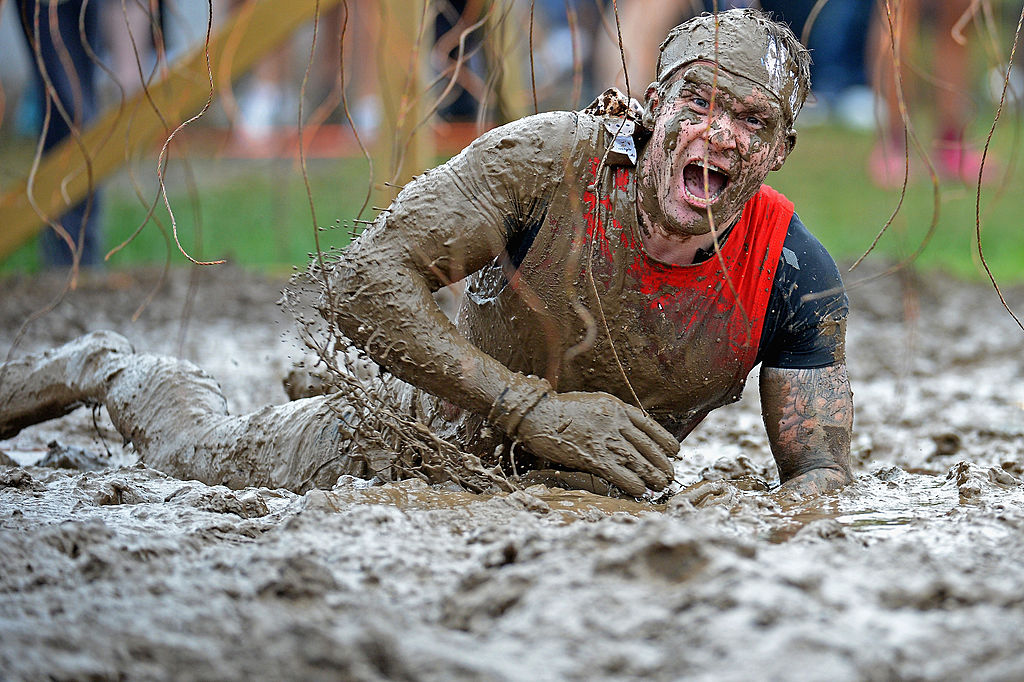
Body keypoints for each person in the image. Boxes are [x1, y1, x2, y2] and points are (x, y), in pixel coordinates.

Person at [0, 9, 853, 501]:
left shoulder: (793, 277)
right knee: (192, 453)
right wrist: (530, 410)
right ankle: (102, 365)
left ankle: (339, 381)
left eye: (750, 120)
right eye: (697, 102)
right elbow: (362, 282)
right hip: (404, 447)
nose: (717, 133)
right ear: (651, 109)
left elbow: (818, 484)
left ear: (778, 151)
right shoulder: (548, 162)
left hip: (574, 505)